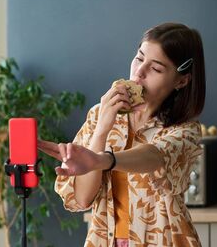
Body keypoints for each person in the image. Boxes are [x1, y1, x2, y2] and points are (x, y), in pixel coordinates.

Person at [38, 22, 206, 247]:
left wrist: (101, 160)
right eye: (139, 58)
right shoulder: (100, 114)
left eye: (155, 69)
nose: (139, 73)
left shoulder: (185, 131)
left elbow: (154, 156)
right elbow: (82, 199)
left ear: (181, 80)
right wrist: (101, 131)